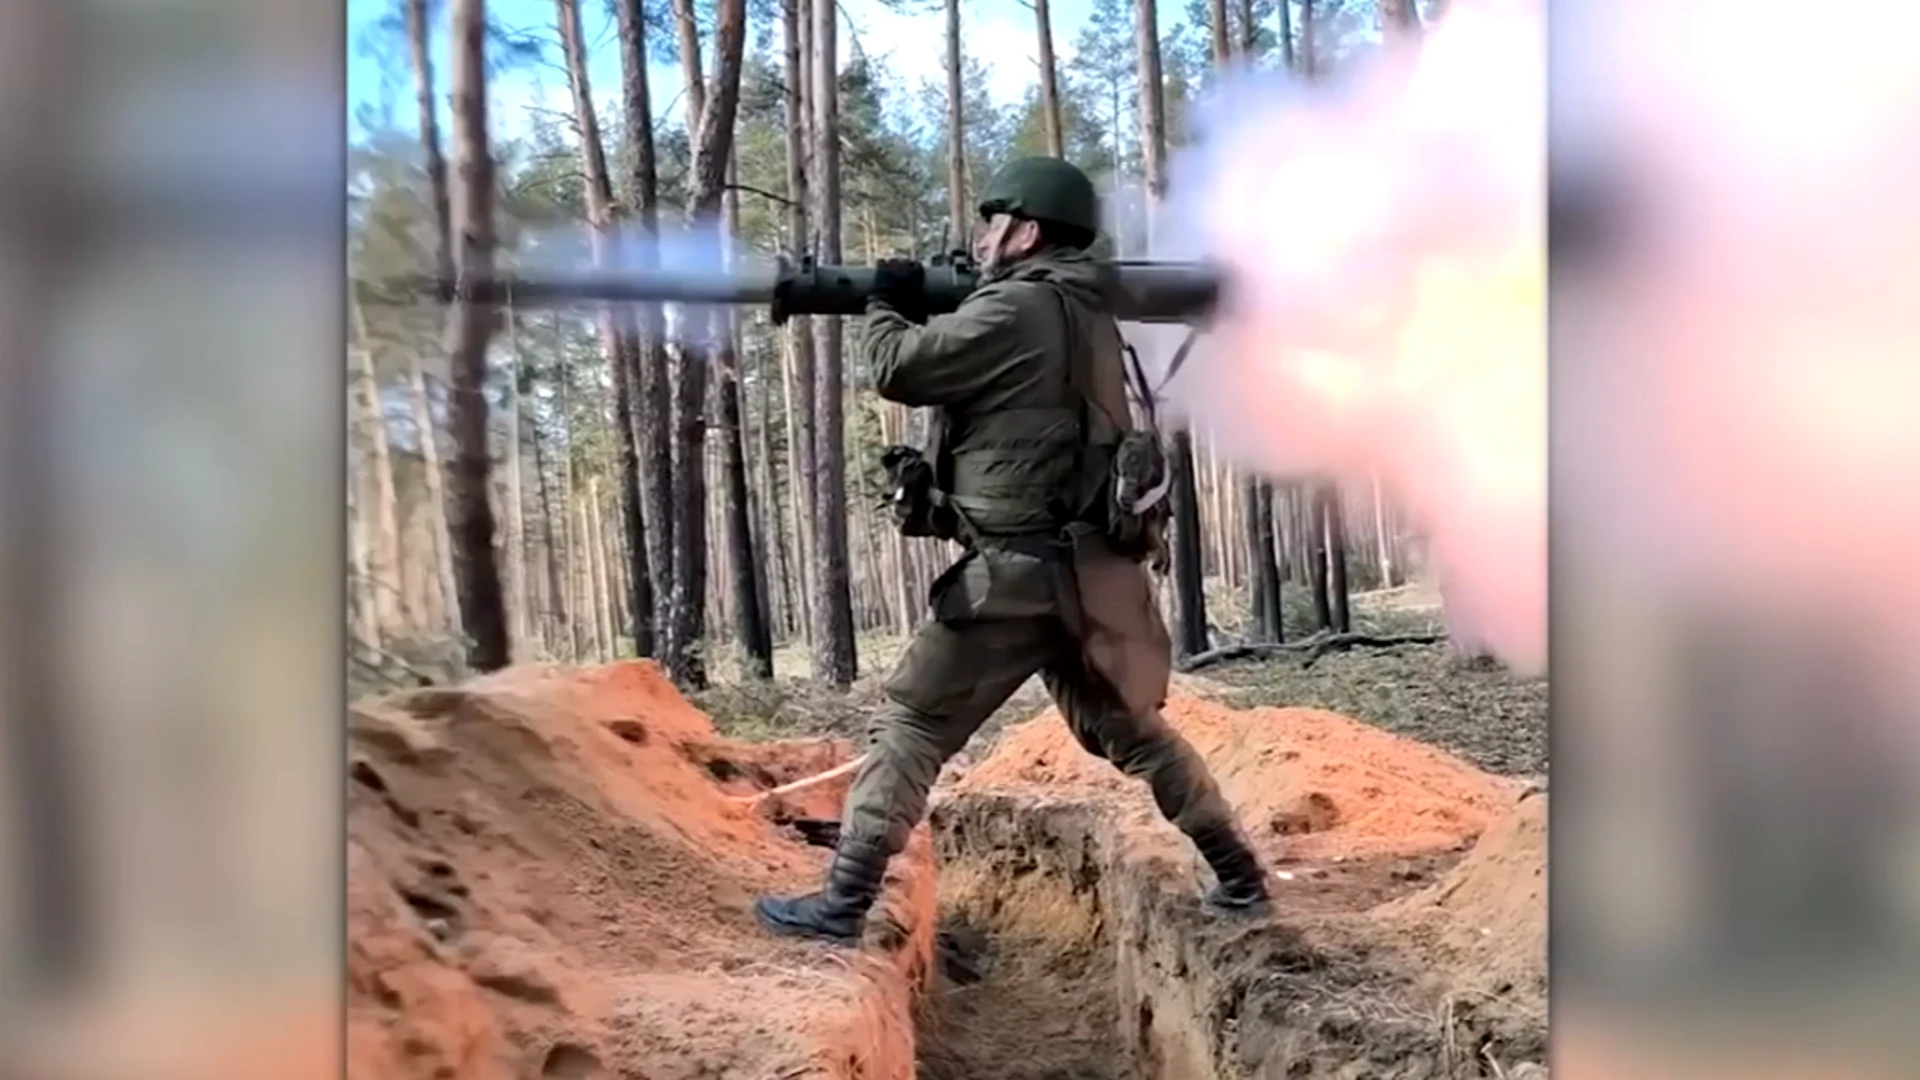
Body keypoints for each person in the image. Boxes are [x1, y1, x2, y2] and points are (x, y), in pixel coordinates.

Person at [753, 156, 1272, 945]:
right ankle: (1240, 876)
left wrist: (887, 302)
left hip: (1016, 580)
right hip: (1093, 581)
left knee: (916, 726)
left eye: (996, 224)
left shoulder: (1020, 310)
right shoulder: (1085, 311)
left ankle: (842, 905)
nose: (983, 238)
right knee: (1135, 734)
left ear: (1027, 232)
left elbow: (901, 369)